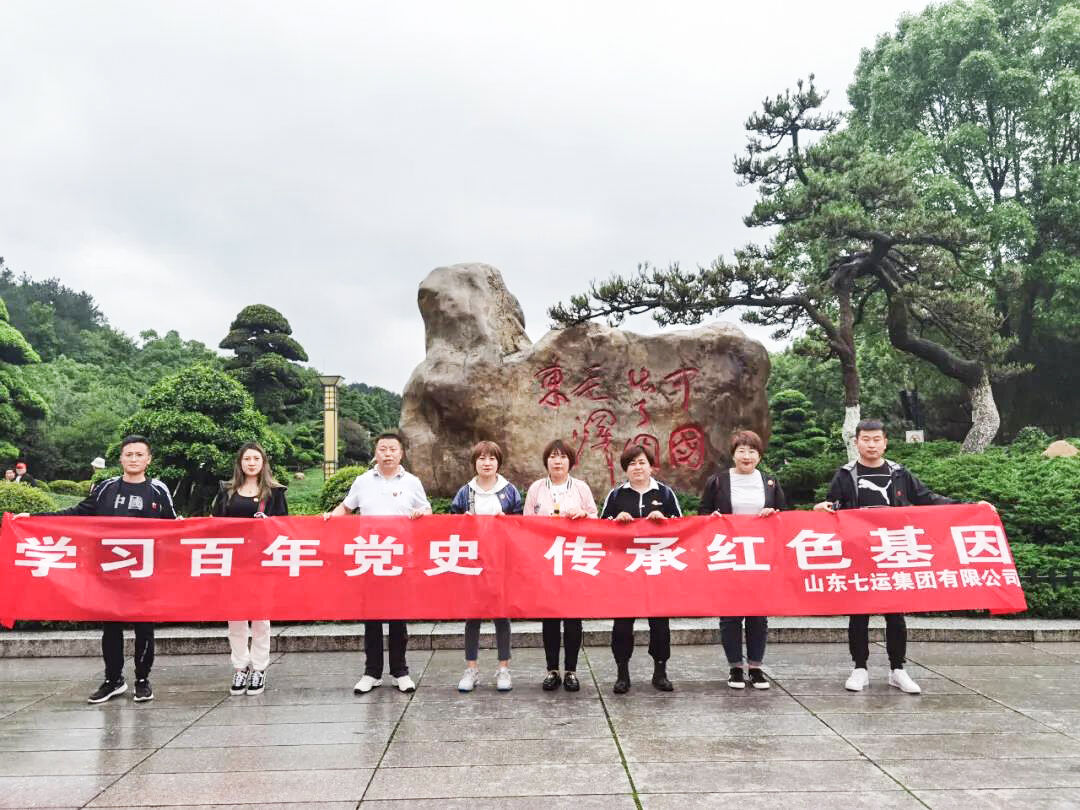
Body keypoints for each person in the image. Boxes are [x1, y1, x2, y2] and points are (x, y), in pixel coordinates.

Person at [24, 435, 177, 704]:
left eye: (139, 454)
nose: (133, 459)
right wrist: (34, 520)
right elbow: (77, 513)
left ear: (148, 459)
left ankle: (142, 680)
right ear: (120, 458)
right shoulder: (106, 488)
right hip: (110, 571)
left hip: (145, 573)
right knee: (111, 628)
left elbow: (175, 529)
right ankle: (113, 680)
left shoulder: (158, 490)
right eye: (128, 454)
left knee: (144, 629)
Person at [814, 419, 961, 695]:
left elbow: (927, 498)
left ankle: (898, 669)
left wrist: (968, 507)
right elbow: (834, 506)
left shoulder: (898, 473)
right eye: (866, 439)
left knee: (896, 614)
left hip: (893, 553)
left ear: (885, 442)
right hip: (859, 553)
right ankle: (860, 668)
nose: (871, 444)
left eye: (876, 439)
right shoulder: (845, 475)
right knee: (859, 613)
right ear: (856, 442)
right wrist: (823, 507)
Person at [324, 432, 431, 694]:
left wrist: (421, 513)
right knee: (371, 618)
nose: (387, 453)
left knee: (398, 618)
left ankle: (400, 671)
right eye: (382, 449)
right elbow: (346, 508)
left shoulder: (412, 482)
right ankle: (371, 672)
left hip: (399, 559)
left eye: (392, 449)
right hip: (370, 556)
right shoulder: (362, 481)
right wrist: (328, 519)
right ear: (376, 452)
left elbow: (428, 510)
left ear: (401, 453)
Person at [699, 429, 786, 690]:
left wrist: (774, 513)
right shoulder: (718, 481)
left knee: (758, 614)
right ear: (733, 454)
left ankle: (756, 668)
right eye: (741, 450)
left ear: (759, 456)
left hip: (760, 557)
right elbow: (703, 511)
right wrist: (711, 518)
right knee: (731, 614)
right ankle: (735, 667)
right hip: (728, 556)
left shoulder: (770, 482)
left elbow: (785, 515)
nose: (746, 456)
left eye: (752, 451)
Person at [601, 443, 682, 694]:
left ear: (651, 466)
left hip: (657, 568)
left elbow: (682, 528)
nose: (638, 467)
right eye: (632, 463)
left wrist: (663, 521)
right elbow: (600, 530)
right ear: (625, 469)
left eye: (642, 462)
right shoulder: (616, 496)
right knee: (623, 625)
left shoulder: (665, 494)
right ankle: (622, 673)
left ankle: (660, 671)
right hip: (625, 570)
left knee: (660, 624)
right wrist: (617, 522)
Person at [211, 442, 288, 697]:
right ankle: (240, 666)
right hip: (233, 562)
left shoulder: (275, 493)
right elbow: (214, 525)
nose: (251, 463)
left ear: (263, 462)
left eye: (256, 458)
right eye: (247, 459)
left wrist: (268, 525)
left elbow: (286, 527)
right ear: (240, 463)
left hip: (262, 563)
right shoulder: (227, 491)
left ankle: (259, 667)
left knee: (261, 619)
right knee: (235, 619)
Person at [523, 439, 598, 692]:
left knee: (573, 618)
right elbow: (526, 523)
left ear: (570, 461)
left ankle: (572, 671)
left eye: (563, 457)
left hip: (574, 560)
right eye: (553, 457)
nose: (557, 461)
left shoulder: (580, 488)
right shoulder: (536, 488)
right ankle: (552, 670)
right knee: (550, 619)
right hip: (547, 562)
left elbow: (595, 519)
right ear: (546, 461)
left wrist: (583, 515)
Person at [449, 440, 523, 692]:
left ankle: (503, 668)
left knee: (502, 616)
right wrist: (463, 522)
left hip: (501, 563)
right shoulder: (465, 492)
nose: (487, 462)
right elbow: (450, 525)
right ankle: (471, 668)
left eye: (491, 458)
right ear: (475, 463)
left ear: (498, 462)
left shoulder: (510, 491)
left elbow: (523, 526)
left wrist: (508, 522)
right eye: (481, 458)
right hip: (473, 562)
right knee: (473, 616)